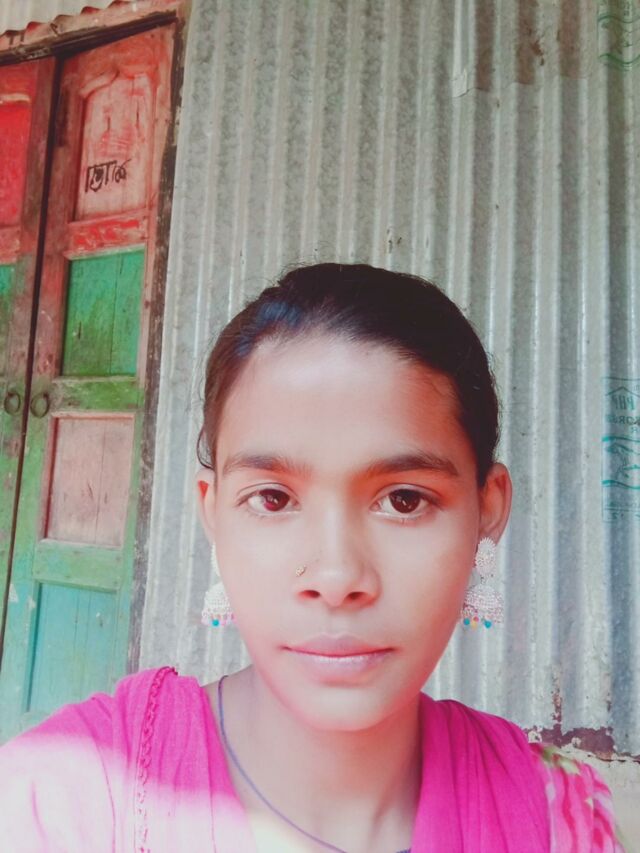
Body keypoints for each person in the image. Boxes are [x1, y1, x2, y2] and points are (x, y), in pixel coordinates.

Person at [0, 264, 624, 852]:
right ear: (213, 511)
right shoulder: (58, 800)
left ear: (487, 509)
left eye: (404, 500)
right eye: (272, 498)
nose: (336, 578)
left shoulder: (559, 819)